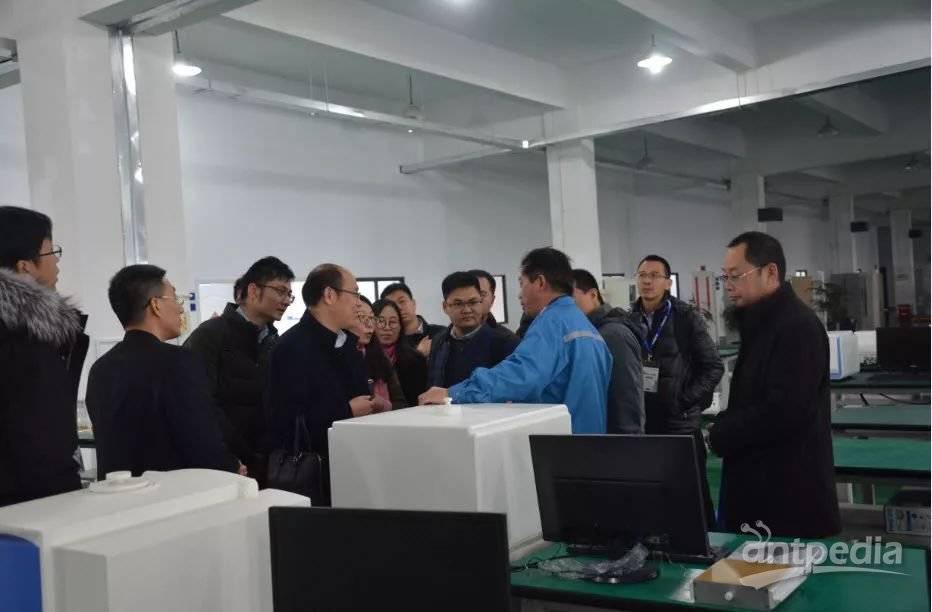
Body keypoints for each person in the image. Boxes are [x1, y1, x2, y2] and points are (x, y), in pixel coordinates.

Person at [709, 232, 840, 538]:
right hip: (759, 488)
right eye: (725, 277)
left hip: (787, 499)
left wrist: (722, 433)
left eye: (736, 275)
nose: (728, 285)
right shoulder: (761, 324)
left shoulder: (797, 328)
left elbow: (784, 411)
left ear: (770, 272)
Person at [419, 248, 613, 434]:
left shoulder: (551, 324)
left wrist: (452, 393)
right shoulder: (588, 329)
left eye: (522, 283)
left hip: (560, 443)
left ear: (540, 282)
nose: (520, 294)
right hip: (590, 441)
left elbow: (518, 376)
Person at [86, 265, 239, 478]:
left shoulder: (100, 369)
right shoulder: (180, 362)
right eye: (175, 298)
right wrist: (231, 467)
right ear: (156, 305)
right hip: (173, 492)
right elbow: (201, 439)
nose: (180, 309)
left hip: (118, 493)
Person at [265, 264, 391, 504]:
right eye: (354, 293)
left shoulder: (348, 344)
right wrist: (346, 411)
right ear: (330, 295)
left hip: (353, 466)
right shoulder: (291, 348)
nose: (359, 303)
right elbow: (283, 421)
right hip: (315, 477)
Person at [629, 254, 723, 528]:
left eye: (654, 276)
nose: (647, 281)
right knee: (652, 498)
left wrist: (683, 402)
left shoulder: (686, 318)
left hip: (679, 426)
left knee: (691, 498)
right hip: (644, 424)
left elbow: (713, 367)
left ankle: (706, 546)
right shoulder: (628, 319)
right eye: (642, 275)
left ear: (668, 283)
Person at [0, 206, 86, 506]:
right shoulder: (21, 338)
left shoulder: (26, 330)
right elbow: (40, 433)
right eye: (51, 252)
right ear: (25, 266)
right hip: (32, 503)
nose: (57, 262)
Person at [183, 256, 295, 482]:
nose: (286, 301)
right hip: (226, 464)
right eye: (281, 291)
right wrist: (228, 456)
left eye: (289, 295)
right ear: (253, 290)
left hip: (267, 460)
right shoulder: (210, 335)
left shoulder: (274, 342)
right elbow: (200, 404)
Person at [572, 268, 645, 434]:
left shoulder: (613, 335)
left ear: (593, 295)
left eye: (571, 298)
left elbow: (626, 397)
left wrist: (627, 442)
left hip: (613, 440)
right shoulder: (585, 333)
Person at [427, 272, 520, 389]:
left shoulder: (505, 343)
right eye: (458, 304)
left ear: (481, 302)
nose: (467, 310)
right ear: (445, 307)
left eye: (473, 302)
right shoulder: (439, 341)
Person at [350, 296, 406, 409]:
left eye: (371, 318)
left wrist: (385, 406)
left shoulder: (380, 357)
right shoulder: (337, 357)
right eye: (361, 317)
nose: (369, 324)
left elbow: (401, 403)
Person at [372, 298, 428, 405]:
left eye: (393, 322)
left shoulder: (416, 360)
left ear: (401, 327)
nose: (387, 328)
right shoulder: (362, 356)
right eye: (381, 321)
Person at [379, 282, 444, 357]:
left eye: (402, 301)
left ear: (413, 303)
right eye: (393, 305)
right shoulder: (386, 343)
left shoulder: (440, 333)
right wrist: (419, 354)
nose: (399, 308)